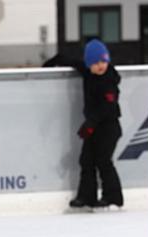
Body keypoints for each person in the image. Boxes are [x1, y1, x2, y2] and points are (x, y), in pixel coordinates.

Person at [43, 39, 125, 210]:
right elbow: (70, 60)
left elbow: (107, 107)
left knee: (103, 161)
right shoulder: (88, 72)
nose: (100, 66)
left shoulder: (109, 80)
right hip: (93, 127)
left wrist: (90, 124)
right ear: (89, 64)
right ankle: (87, 197)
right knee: (86, 160)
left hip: (108, 127)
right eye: (95, 63)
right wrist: (51, 63)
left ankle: (113, 198)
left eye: (103, 61)